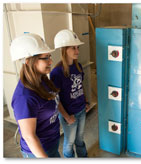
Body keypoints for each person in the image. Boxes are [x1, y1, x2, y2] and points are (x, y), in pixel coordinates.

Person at [10, 33, 61, 158]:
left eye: (49, 56)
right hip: (38, 152)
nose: (51, 61)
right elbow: (29, 136)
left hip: (51, 143)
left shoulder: (42, 80)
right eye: (45, 58)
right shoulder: (24, 97)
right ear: (28, 61)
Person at [50, 29, 89, 158]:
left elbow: (80, 85)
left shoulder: (78, 67)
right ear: (64, 49)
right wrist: (67, 117)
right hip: (69, 114)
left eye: (77, 47)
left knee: (80, 140)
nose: (77, 51)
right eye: (73, 48)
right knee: (69, 143)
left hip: (81, 110)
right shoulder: (57, 73)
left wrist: (86, 101)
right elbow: (56, 99)